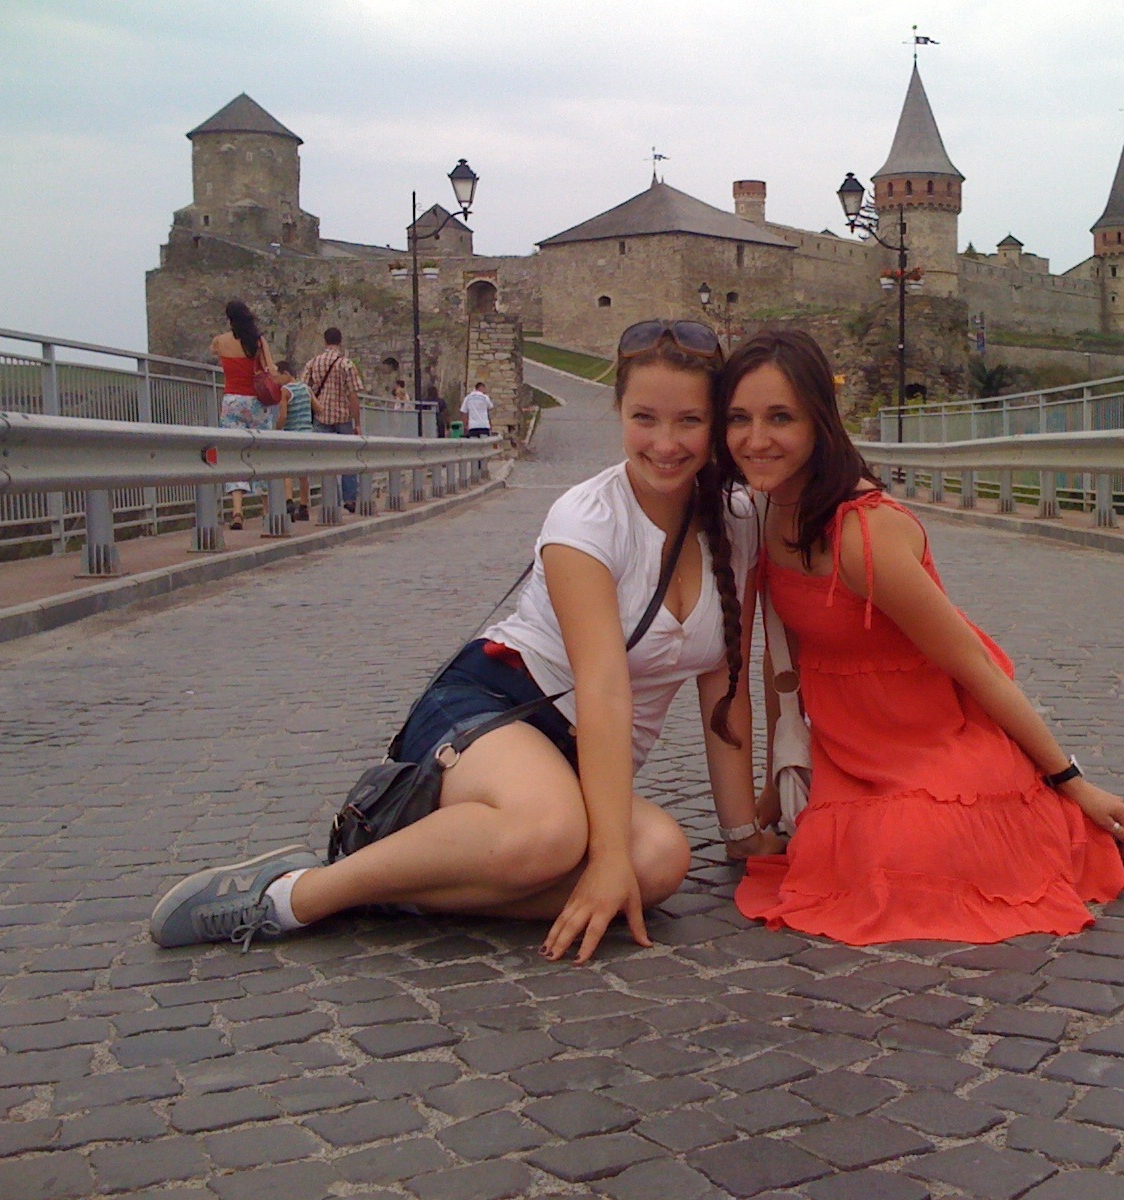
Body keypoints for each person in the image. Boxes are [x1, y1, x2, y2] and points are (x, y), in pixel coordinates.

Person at [149, 318, 784, 964]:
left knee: (658, 862)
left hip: (580, 756)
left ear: (716, 424)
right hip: (496, 708)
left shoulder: (738, 521)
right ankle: (296, 894)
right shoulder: (588, 520)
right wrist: (605, 853)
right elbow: (602, 689)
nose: (666, 443)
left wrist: (740, 833)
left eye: (689, 421)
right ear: (619, 411)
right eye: (645, 418)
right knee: (553, 831)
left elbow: (725, 691)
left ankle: (402, 885)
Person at [717, 330, 1124, 947]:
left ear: (819, 422)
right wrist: (770, 789)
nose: (755, 439)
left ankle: (1057, 821)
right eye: (739, 418)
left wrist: (1072, 780)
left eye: (780, 417)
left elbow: (974, 664)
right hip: (850, 753)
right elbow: (781, 665)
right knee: (847, 858)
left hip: (934, 742)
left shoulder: (862, 535)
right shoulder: (762, 511)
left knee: (908, 862)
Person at [211, 300, 276, 531]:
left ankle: (237, 511)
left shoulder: (220, 341)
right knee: (262, 454)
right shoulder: (257, 341)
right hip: (256, 402)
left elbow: (214, 352)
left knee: (234, 455)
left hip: (231, 402)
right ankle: (266, 509)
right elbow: (271, 369)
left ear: (229, 318)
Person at [303, 327, 363, 512]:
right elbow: (353, 396)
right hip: (343, 417)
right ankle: (349, 499)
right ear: (340, 341)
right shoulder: (347, 364)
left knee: (325, 461)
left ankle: (332, 500)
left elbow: (303, 387)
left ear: (325, 341)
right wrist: (358, 423)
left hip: (321, 416)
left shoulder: (313, 363)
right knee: (349, 458)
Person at [276, 359, 314, 522]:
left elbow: (283, 416)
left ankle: (289, 502)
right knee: (304, 473)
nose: (276, 381)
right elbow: (318, 408)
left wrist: (277, 429)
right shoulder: (306, 389)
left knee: (288, 470)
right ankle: (304, 506)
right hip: (307, 434)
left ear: (285, 374)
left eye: (278, 376)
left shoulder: (285, 390)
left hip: (291, 435)